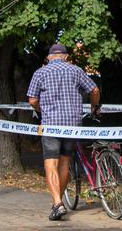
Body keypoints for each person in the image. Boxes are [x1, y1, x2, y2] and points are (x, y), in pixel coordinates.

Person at [26, 43, 100, 221]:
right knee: (65, 162)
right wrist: (94, 107)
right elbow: (94, 90)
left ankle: (58, 203)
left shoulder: (40, 73)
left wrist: (41, 109)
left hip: (51, 124)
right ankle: (57, 204)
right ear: (66, 57)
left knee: (51, 163)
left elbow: (32, 100)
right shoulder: (76, 70)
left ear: (49, 57)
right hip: (72, 125)